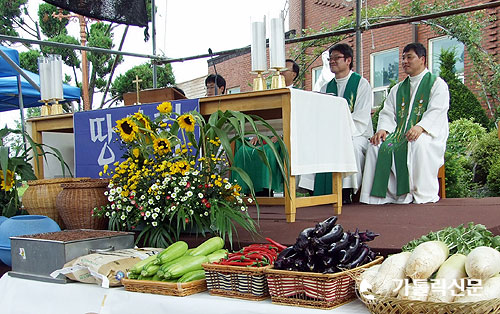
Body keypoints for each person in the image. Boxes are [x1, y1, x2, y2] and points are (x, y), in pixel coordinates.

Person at [360, 42, 450, 204]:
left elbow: (437, 110)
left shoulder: (437, 84)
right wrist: (383, 130)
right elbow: (387, 112)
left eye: (409, 57)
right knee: (376, 145)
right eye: (403, 58)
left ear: (422, 59)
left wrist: (421, 127)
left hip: (427, 134)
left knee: (418, 143)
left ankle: (419, 193)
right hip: (400, 133)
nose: (404, 62)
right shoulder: (398, 88)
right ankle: (380, 196)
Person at [298, 43, 373, 203]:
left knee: (349, 146)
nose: (332, 61)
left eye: (336, 58)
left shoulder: (361, 84)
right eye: (330, 59)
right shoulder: (325, 88)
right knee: (312, 144)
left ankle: (345, 192)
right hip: (330, 134)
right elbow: (319, 115)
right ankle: (314, 192)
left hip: (356, 134)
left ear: (348, 60)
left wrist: (339, 132)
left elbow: (361, 116)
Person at [232, 59, 299, 196]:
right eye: (277, 69)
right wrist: (259, 133)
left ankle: (266, 190)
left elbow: (297, 120)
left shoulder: (298, 95)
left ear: (294, 74)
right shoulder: (269, 94)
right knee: (243, 150)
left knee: (267, 152)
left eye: (284, 70)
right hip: (264, 135)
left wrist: (280, 134)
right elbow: (261, 118)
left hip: (284, 137)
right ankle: (248, 191)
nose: (280, 72)